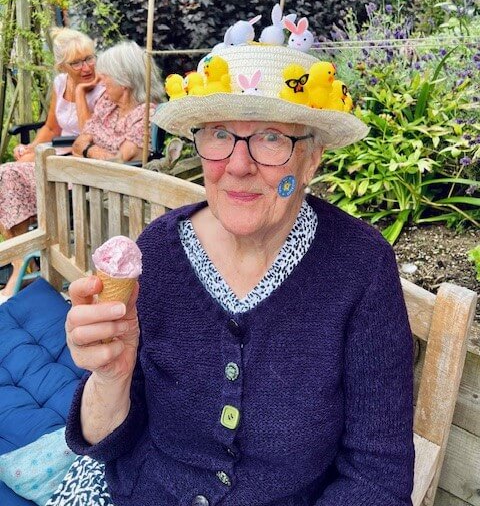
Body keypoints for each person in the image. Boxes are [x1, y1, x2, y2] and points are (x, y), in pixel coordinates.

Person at [64, 26, 414, 506]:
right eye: (220, 134)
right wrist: (111, 378)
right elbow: (109, 445)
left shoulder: (360, 267)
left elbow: (377, 477)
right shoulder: (161, 253)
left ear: (311, 159)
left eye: (271, 138)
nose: (238, 165)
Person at [0, 28, 103, 298]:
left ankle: (20, 265)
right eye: (77, 62)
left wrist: (81, 92)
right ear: (62, 66)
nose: (86, 67)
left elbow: (86, 136)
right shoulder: (59, 83)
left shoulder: (99, 87)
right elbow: (51, 126)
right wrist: (32, 147)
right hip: (57, 155)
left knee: (8, 177)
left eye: (90, 58)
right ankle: (22, 260)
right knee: (7, 174)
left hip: (80, 164)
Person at [72, 40, 164, 163]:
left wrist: (87, 150)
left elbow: (118, 162)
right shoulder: (107, 102)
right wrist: (93, 152)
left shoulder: (147, 115)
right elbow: (78, 144)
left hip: (110, 180)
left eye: (106, 76)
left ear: (123, 81)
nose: (101, 82)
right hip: (85, 174)